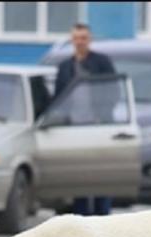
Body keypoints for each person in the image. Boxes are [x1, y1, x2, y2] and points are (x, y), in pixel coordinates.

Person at [54, 22, 116, 216]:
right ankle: (81, 217)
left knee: (102, 175)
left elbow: (113, 90)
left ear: (90, 40)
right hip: (74, 129)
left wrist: (102, 116)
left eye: (84, 38)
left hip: (99, 127)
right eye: (76, 38)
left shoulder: (102, 62)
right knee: (79, 177)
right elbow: (59, 97)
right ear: (71, 40)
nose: (80, 42)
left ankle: (103, 216)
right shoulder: (65, 67)